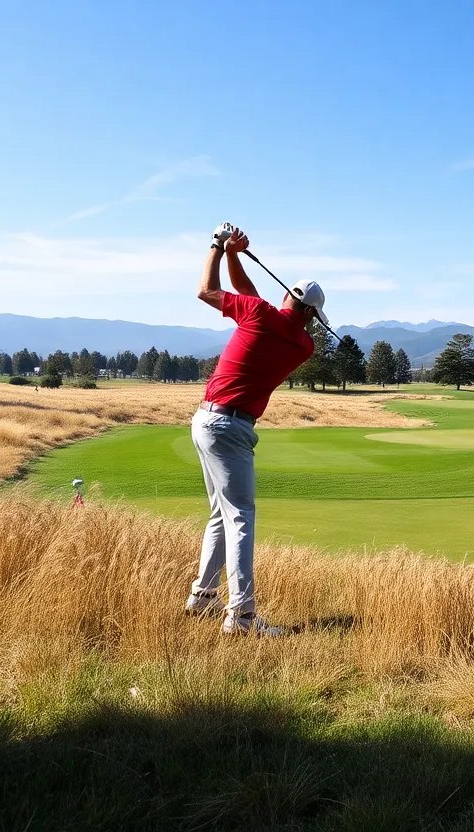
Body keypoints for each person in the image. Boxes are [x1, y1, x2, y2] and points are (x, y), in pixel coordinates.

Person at [184, 223, 325, 636]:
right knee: (240, 516)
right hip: (232, 427)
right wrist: (234, 256)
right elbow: (250, 298)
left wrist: (219, 246)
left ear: (287, 297)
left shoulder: (259, 313)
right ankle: (242, 617)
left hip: (206, 420)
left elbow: (206, 291)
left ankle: (203, 598)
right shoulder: (303, 344)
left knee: (222, 515)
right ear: (312, 317)